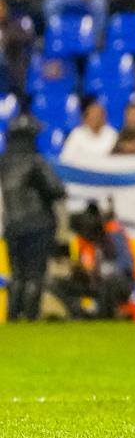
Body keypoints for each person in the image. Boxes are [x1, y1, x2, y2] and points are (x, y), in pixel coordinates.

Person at [0, 114, 65, 320]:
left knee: (17, 273)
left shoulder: (4, 163)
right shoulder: (35, 161)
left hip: (12, 224)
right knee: (34, 273)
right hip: (38, 224)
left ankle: (12, 314)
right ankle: (30, 315)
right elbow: (56, 189)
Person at [52, 201, 135, 320]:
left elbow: (125, 265)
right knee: (55, 282)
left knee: (110, 279)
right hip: (93, 281)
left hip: (120, 282)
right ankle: (79, 314)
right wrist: (79, 269)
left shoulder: (114, 234)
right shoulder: (85, 239)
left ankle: (103, 316)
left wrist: (98, 270)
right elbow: (86, 264)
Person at [60, 98, 118, 163]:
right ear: (86, 118)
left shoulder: (112, 134)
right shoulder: (77, 133)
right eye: (93, 115)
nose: (96, 118)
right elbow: (66, 157)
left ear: (104, 118)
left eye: (99, 115)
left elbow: (115, 159)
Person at [0, 0, 34, 97]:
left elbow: (28, 38)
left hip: (15, 59)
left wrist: (7, 37)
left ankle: (17, 96)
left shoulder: (19, 21)